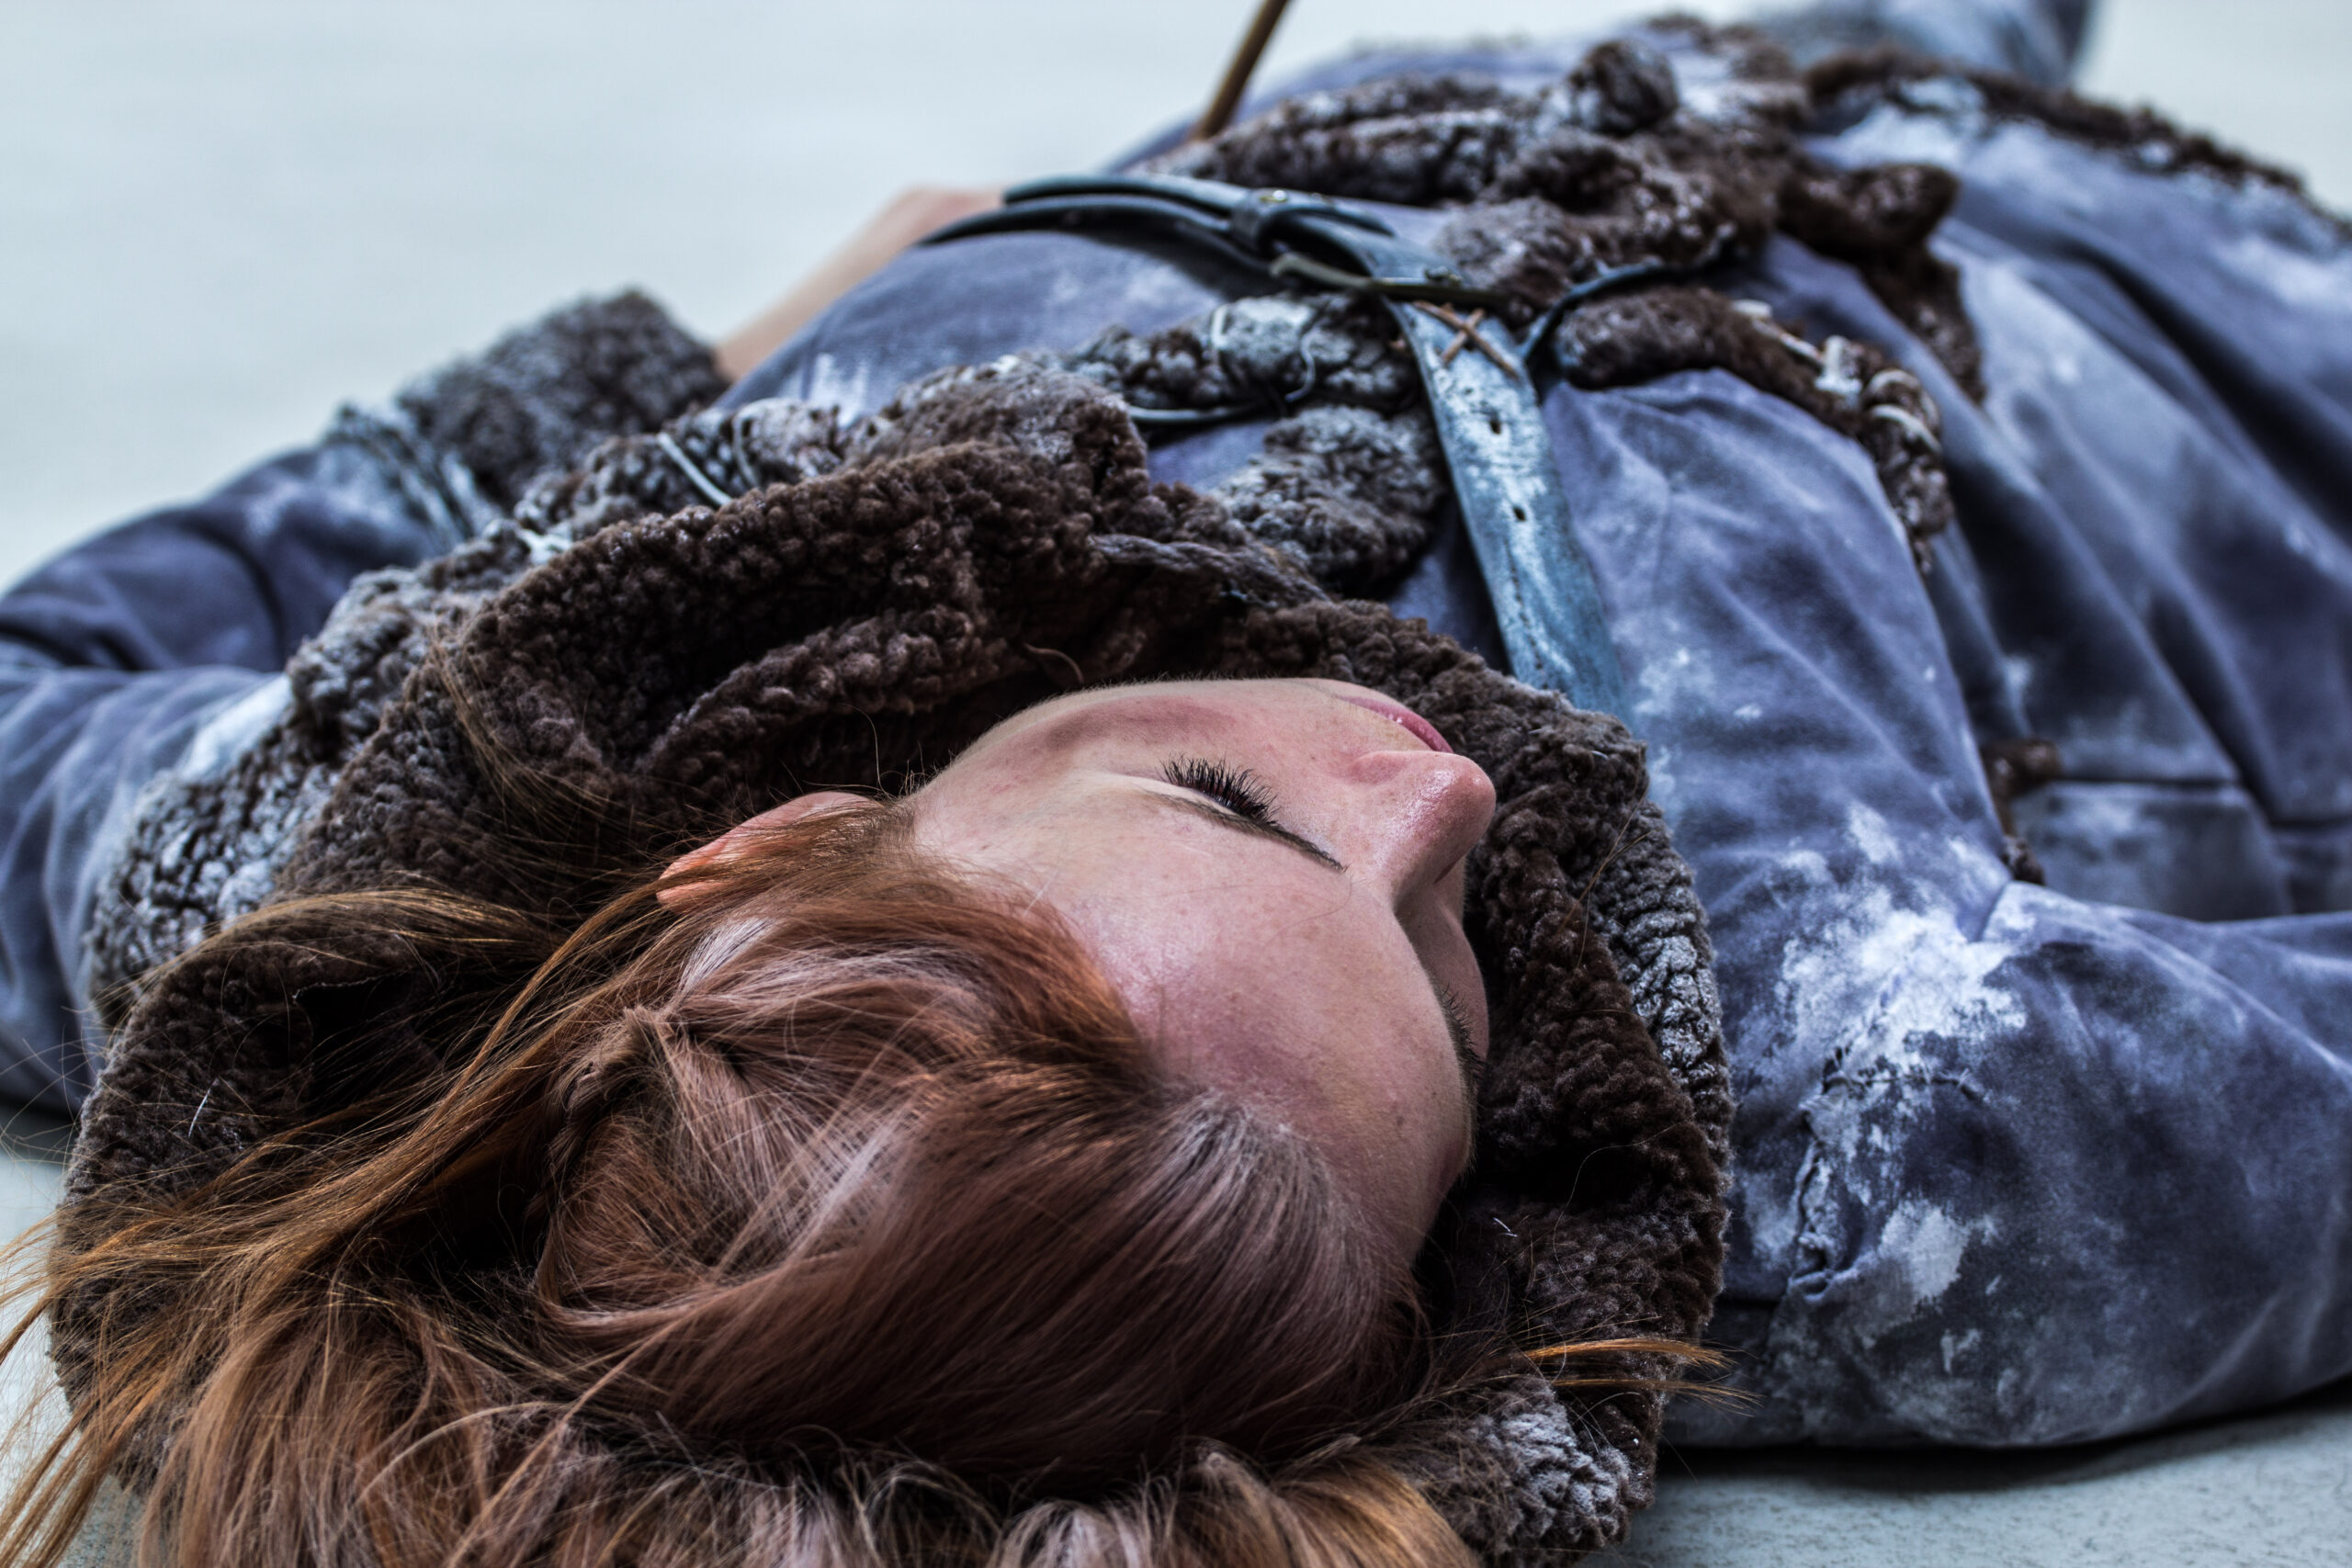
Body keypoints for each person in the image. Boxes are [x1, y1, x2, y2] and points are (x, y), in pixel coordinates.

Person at [1, 1, 2348, 1563]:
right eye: (1454, 992)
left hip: (1670, 60)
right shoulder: (1884, 1144)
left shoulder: (333, 858)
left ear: (763, 856)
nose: (1435, 801)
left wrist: (714, 343)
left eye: (1224, 802)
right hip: (2213, 347)